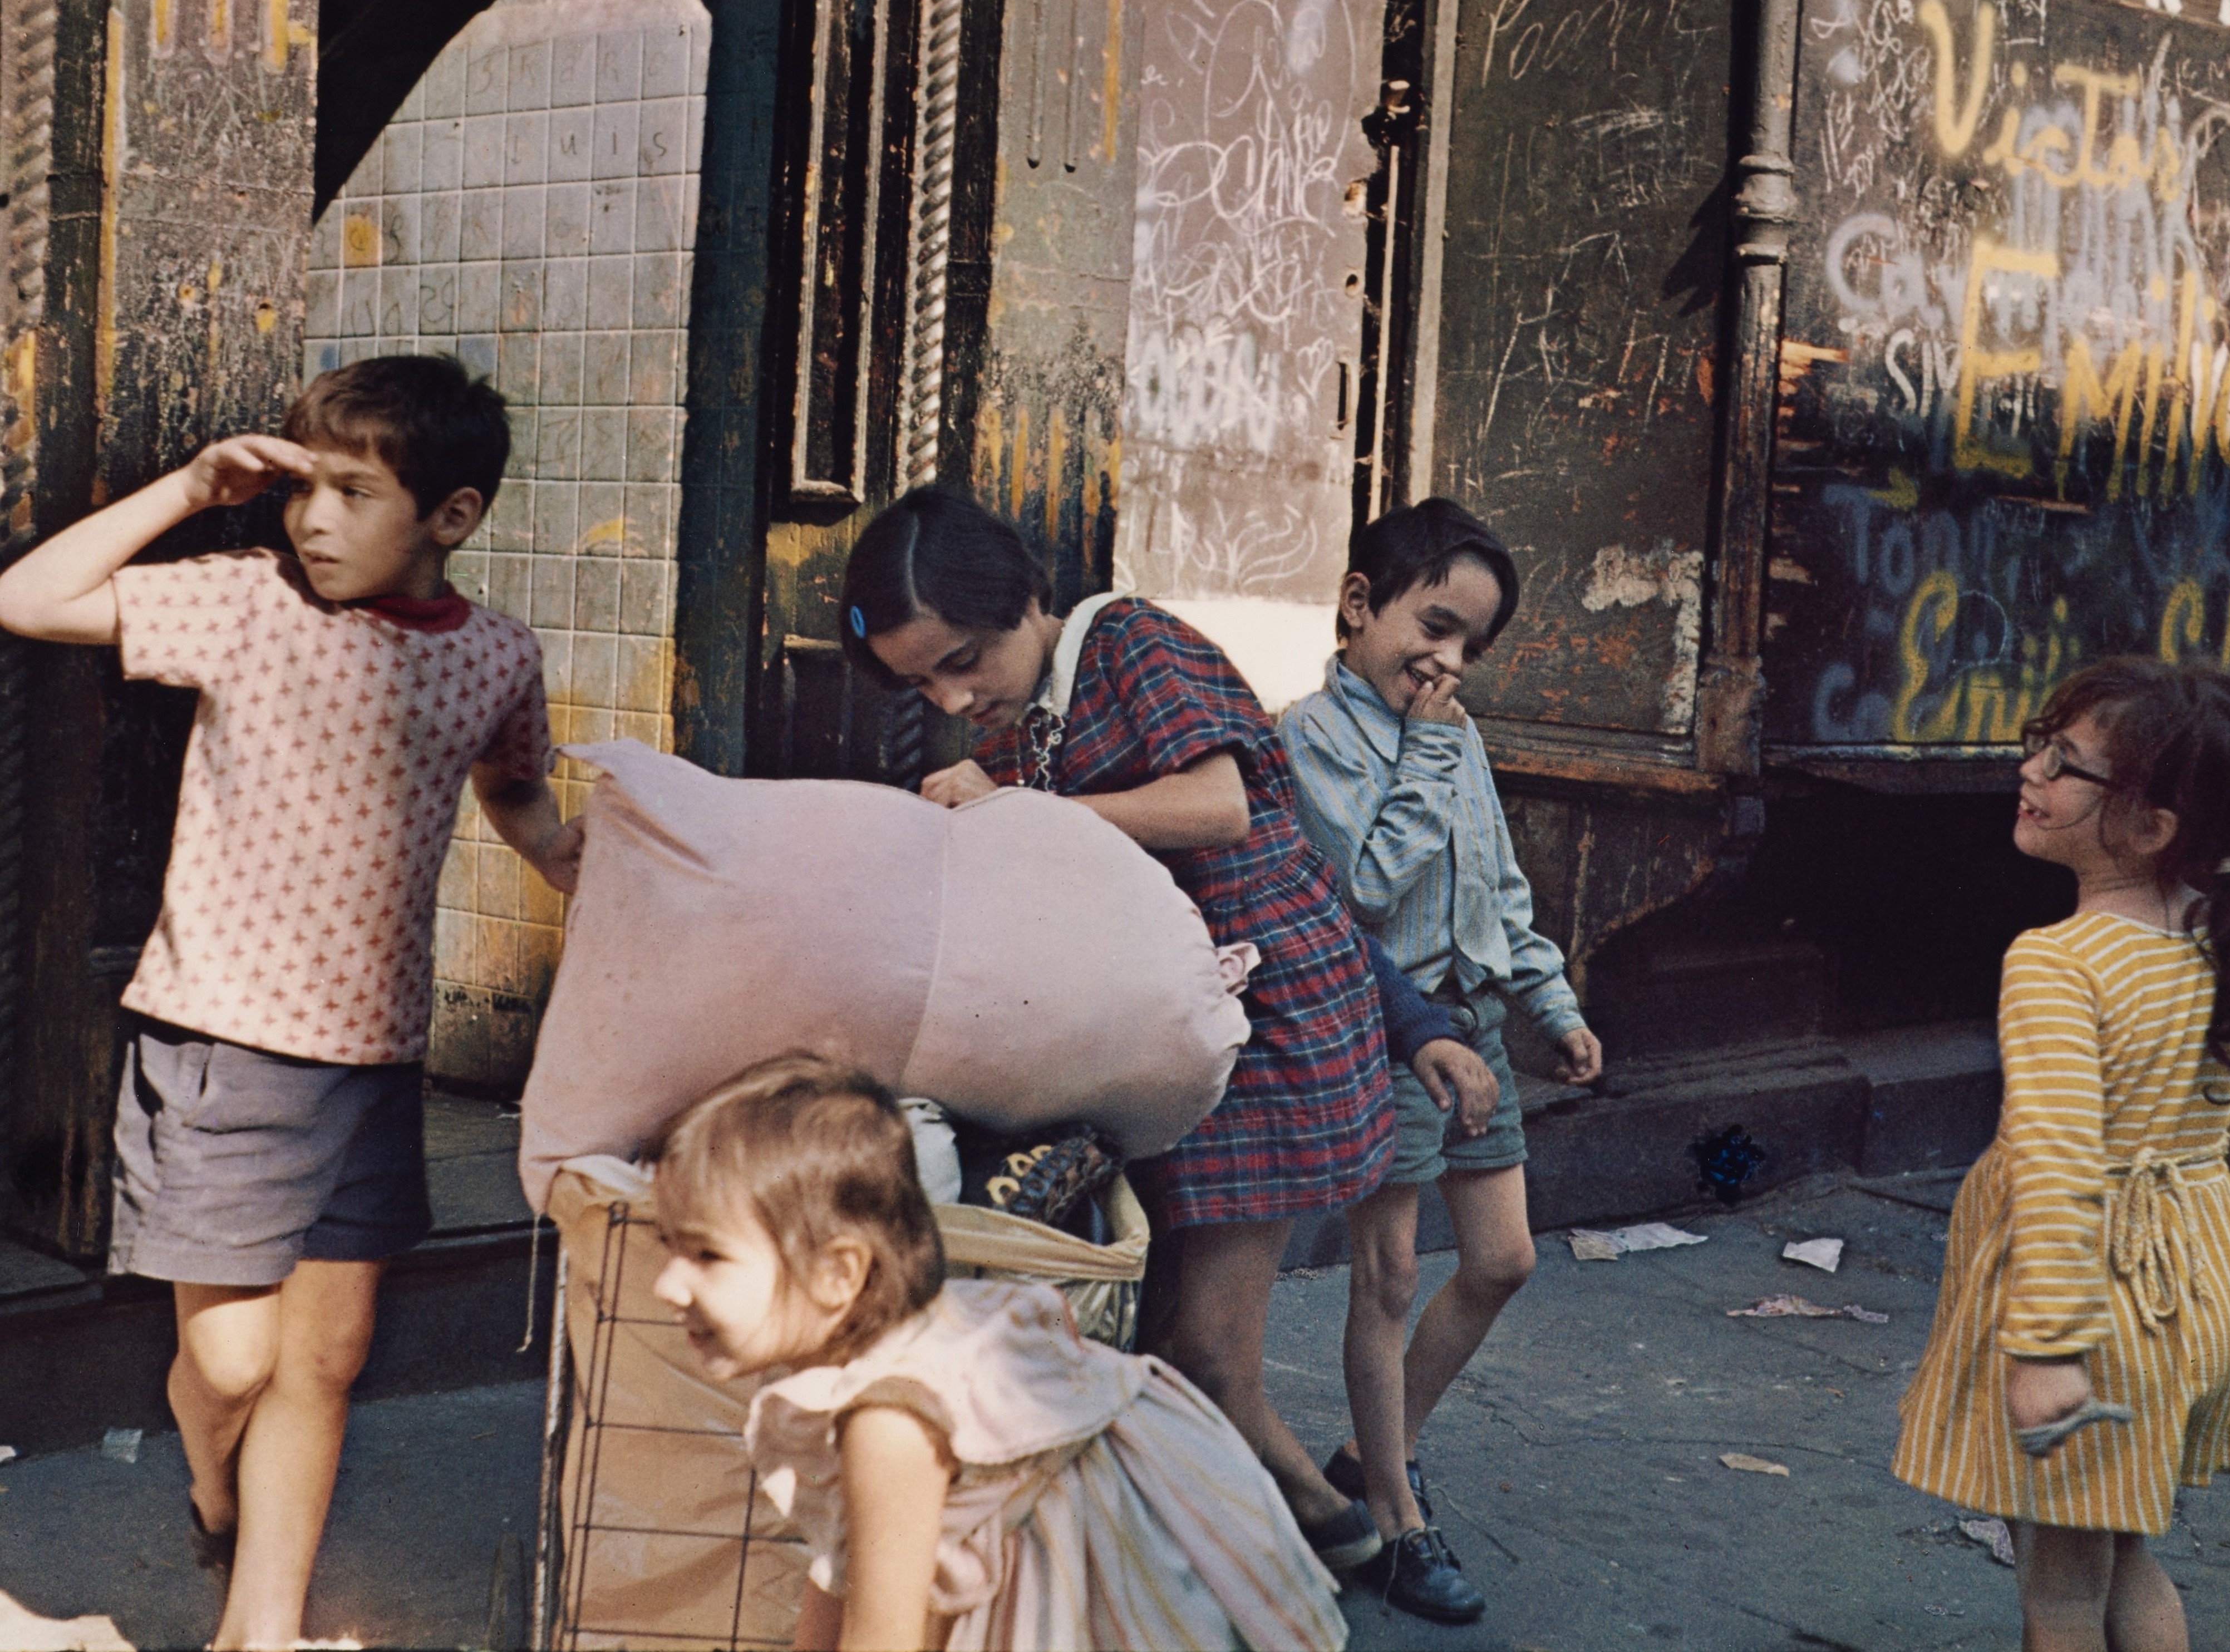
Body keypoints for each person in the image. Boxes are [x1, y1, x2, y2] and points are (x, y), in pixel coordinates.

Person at [0, 354, 578, 1651]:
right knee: (231, 1366)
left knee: (320, 1363)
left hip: (373, 1064)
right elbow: (26, 599)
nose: (310, 519)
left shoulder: (495, 656)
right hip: (221, 1046)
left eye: (352, 493)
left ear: (452, 516)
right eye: (302, 489)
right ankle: (212, 1473)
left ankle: (259, 1625)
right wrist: (191, 487)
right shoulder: (244, 608)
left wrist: (591, 864)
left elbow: (518, 793)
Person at [840, 485, 1467, 1571]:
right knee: (1175, 1340)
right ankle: (1286, 1532)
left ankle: (1342, 1531)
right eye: (921, 683)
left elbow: (1217, 806)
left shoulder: (1129, 641)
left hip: (1267, 1027)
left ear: (1026, 601)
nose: (952, 695)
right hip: (1188, 1033)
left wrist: (1013, 811)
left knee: (1207, 1355)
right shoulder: (1037, 729)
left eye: (963, 658)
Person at [648, 1053, 1351, 1652]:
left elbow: (882, 1637)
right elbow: (842, 1570)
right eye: (668, 1246)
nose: (667, 1283)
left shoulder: (889, 1419)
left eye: (707, 1255)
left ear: (839, 1274)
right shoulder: (884, 1352)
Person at [1891, 658, 2230, 1652]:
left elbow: (2059, 1161)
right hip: (2190, 1283)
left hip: (2093, 1300)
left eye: (2066, 765)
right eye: (2041, 742)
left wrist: (2046, 1347)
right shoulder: (2223, 938)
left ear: (2150, 826)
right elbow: (2227, 1131)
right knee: (2122, 1550)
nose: (2030, 769)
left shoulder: (2056, 964)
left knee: (2059, 1591)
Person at [1277, 497, 1603, 1623]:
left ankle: (1376, 1456)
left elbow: (1498, 887)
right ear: (1360, 605)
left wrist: (1549, 1005)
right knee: (1389, 1278)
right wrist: (1419, 746)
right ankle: (1396, 1520)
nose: (1448, 660)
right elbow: (1361, 889)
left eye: (1471, 643)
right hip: (1387, 1034)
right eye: (1434, 623)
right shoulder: (1306, 739)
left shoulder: (1456, 737)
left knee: (1502, 1260)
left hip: (1476, 1029)